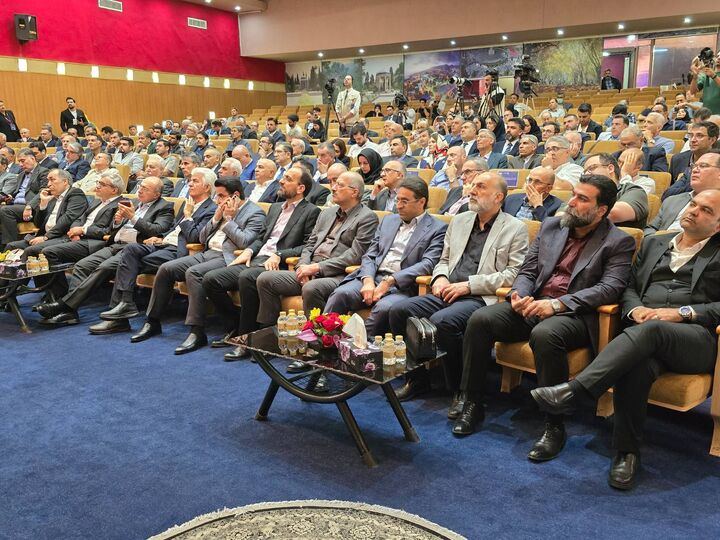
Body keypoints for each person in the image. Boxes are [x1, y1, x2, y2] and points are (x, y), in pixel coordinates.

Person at [531, 189, 720, 490]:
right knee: (637, 366)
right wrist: (635, 309)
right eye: (693, 204)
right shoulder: (656, 242)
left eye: (706, 210)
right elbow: (628, 287)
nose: (694, 211)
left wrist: (681, 313)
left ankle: (575, 391)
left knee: (652, 330)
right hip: (643, 333)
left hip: (694, 339)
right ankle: (626, 453)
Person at [453, 175, 636, 454]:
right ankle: (472, 403)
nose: (571, 202)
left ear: (601, 210)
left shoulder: (619, 241)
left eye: (582, 199)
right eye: (573, 195)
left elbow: (609, 288)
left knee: (545, 334)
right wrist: (519, 295)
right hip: (534, 303)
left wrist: (558, 305)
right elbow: (527, 270)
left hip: (574, 314)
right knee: (480, 320)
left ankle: (554, 424)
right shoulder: (552, 226)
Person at [389, 171, 528, 412]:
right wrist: (440, 277)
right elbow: (443, 259)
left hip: (479, 296)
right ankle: (418, 379)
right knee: (399, 311)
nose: (472, 190)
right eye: (473, 185)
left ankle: (460, 389)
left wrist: (469, 285)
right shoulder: (460, 220)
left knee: (444, 321)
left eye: (480, 187)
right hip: (447, 289)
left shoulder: (515, 228)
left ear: (498, 197)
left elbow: (513, 273)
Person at [249, 172, 379, 361]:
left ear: (354, 192)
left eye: (339, 185)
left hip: (337, 275)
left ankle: (315, 349)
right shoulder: (326, 213)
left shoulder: (367, 217)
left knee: (312, 288)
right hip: (309, 269)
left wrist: (317, 268)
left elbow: (355, 255)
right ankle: (271, 338)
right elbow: (309, 245)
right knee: (265, 279)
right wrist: (303, 267)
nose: (333, 188)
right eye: (334, 183)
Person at [131, 177, 265, 354]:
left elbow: (246, 241)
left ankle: (197, 331)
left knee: (194, 273)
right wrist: (216, 219)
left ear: (235, 195)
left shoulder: (255, 212)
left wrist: (229, 220)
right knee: (166, 269)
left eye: (221, 196)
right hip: (207, 253)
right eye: (216, 196)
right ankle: (152, 321)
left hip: (228, 257)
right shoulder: (220, 208)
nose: (217, 200)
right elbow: (201, 238)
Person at [201, 167, 320, 349]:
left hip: (277, 265)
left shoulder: (311, 211)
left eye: (288, 179)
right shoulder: (275, 208)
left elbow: (307, 246)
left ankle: (247, 339)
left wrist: (279, 255)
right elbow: (261, 238)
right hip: (257, 259)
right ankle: (235, 324)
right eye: (283, 177)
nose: (281, 181)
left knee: (247, 277)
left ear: (300, 188)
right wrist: (249, 250)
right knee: (211, 279)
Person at [37, 176, 175, 329]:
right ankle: (70, 312)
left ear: (156, 194)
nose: (140, 190)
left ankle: (67, 307)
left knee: (104, 267)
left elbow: (157, 230)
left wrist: (132, 217)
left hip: (134, 250)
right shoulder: (134, 203)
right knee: (83, 265)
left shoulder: (165, 207)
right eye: (140, 186)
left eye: (145, 188)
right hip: (115, 244)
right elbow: (113, 229)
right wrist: (117, 221)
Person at [92, 169, 218, 328]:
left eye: (195, 181)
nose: (190, 183)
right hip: (163, 244)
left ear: (207, 187)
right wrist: (161, 237)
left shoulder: (211, 209)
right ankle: (125, 304)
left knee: (129, 261)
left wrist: (187, 216)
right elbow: (173, 229)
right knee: (131, 250)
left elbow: (195, 237)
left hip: (179, 251)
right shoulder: (189, 204)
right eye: (190, 180)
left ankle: (120, 315)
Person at [324, 177, 447, 336]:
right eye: (397, 200)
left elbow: (428, 264)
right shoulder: (388, 220)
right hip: (374, 276)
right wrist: (368, 280)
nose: (399, 206)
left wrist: (390, 280)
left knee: (384, 308)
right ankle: (324, 341)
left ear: (421, 202)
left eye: (404, 201)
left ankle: (360, 346)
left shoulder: (438, 228)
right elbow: (370, 254)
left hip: (403, 286)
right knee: (340, 294)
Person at [30, 172, 127, 300]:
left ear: (114, 190)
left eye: (102, 184)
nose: (97, 186)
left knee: (49, 252)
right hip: (77, 238)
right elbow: (79, 219)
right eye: (98, 183)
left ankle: (60, 295)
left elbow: (110, 231)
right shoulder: (97, 202)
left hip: (94, 242)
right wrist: (74, 230)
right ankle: (51, 293)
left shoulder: (121, 205)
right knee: (39, 250)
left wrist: (82, 230)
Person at [4, 168, 89, 257]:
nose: (48, 184)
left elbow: (67, 219)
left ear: (65, 182)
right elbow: (37, 224)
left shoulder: (75, 194)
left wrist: (46, 237)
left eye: (52, 180)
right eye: (48, 180)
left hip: (62, 237)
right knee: (11, 246)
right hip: (45, 235)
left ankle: (19, 266)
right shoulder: (52, 197)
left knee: (31, 250)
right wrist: (43, 205)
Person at [644, 150, 720, 235]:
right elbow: (650, 229)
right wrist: (655, 239)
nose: (694, 170)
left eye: (703, 166)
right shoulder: (672, 201)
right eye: (694, 166)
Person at [583, 153, 648, 229]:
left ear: (610, 168)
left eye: (591, 168)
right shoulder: (586, 194)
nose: (587, 174)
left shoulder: (634, 191)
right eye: (585, 172)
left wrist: (578, 211)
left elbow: (612, 213)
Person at [0, 149, 50, 247]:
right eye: (19, 161)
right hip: (16, 205)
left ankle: (11, 246)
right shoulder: (21, 174)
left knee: (5, 210)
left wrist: (29, 206)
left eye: (23, 161)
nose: (20, 164)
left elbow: (43, 192)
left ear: (32, 159)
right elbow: (17, 192)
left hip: (33, 207)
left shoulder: (44, 172)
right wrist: (10, 197)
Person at [665, 121, 719, 194]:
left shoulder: (718, 160)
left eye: (699, 136)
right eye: (691, 135)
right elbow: (668, 193)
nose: (693, 140)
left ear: (712, 140)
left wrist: (688, 182)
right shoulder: (677, 159)